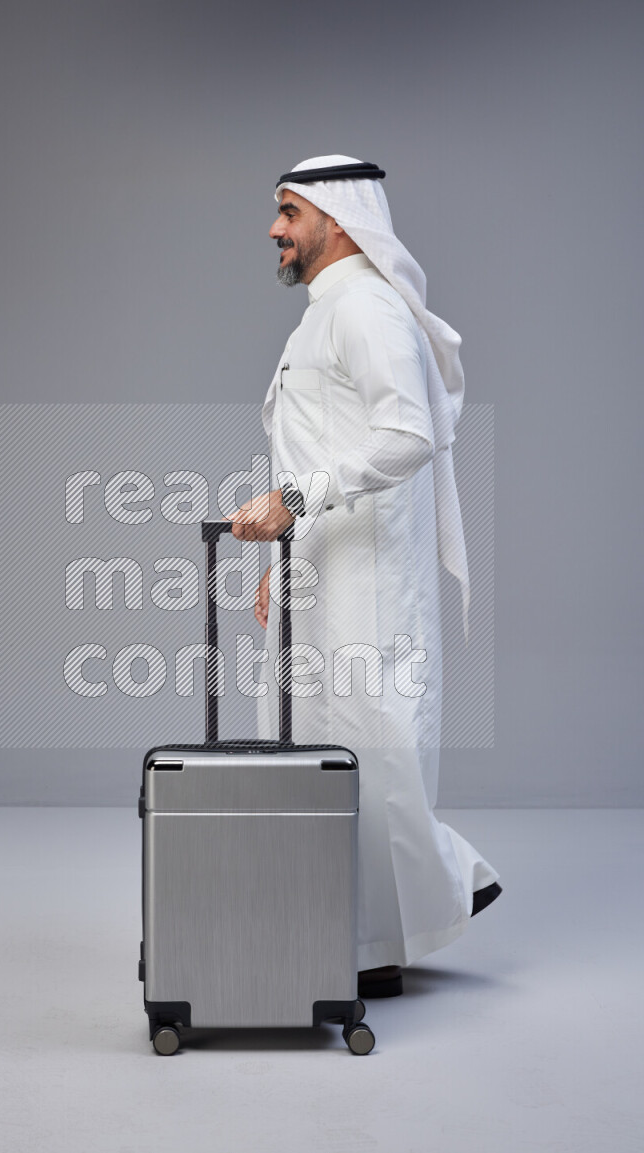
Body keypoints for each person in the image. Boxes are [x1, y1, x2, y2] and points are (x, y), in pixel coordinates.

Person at [229, 155, 501, 999]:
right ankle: (355, 938)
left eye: (288, 212)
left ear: (336, 220)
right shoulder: (321, 316)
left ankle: (438, 888)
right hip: (326, 571)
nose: (275, 229)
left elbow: (407, 436)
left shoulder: (369, 308)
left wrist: (295, 500)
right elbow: (316, 447)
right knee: (318, 748)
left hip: (373, 584)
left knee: (373, 752)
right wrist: (288, 555)